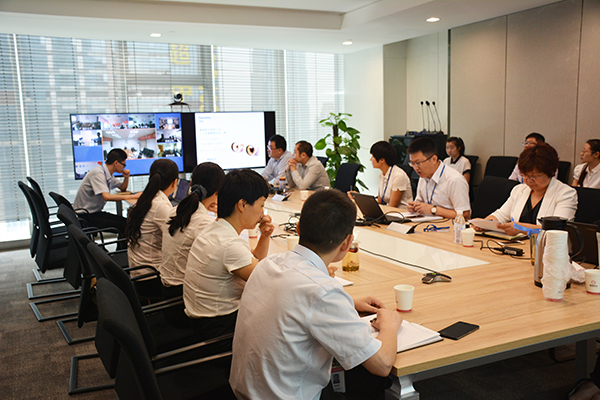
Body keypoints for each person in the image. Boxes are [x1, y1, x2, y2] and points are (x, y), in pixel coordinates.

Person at [230, 189, 403, 400]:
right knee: (371, 378)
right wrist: (389, 324)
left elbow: (297, 301)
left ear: (298, 228)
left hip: (244, 393)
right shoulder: (323, 292)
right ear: (347, 243)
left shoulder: (268, 264)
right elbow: (382, 364)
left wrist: (349, 301)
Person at [183, 169, 275, 341]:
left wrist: (264, 236)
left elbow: (256, 265)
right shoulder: (230, 244)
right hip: (220, 331)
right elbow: (268, 282)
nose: (263, 214)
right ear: (242, 205)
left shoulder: (214, 229)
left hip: (201, 324)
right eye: (261, 205)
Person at [160, 162, 225, 299]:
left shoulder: (175, 211)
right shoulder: (204, 222)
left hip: (168, 288)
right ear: (218, 192)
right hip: (181, 294)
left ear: (191, 184)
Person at [481, 143, 577, 236]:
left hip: (547, 245)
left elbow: (557, 230)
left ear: (551, 172)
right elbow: (501, 215)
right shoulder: (519, 190)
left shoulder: (566, 193)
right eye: (524, 175)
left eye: (534, 176)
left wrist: (521, 229)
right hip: (518, 244)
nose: (528, 180)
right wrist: (484, 223)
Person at [125, 159, 179, 298]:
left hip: (139, 270)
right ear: (174, 183)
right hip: (150, 278)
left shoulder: (148, 198)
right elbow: (178, 237)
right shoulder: (160, 206)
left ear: (150, 179)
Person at [73, 148, 140, 236]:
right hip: (86, 216)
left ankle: (122, 245)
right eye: (123, 164)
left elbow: (122, 188)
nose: (124, 167)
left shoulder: (107, 174)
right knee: (126, 225)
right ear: (116, 163)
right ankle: (123, 245)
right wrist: (133, 196)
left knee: (127, 223)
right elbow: (107, 197)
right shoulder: (98, 173)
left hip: (93, 213)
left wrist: (126, 177)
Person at [406, 137, 470, 219]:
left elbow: (465, 215)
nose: (415, 168)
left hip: (448, 225)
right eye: (412, 163)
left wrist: (433, 210)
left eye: (418, 163)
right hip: (426, 223)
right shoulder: (423, 177)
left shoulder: (454, 180)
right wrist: (414, 207)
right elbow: (420, 203)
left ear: (433, 159)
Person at [368, 141, 412, 207]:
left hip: (400, 212)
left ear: (382, 160)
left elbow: (393, 206)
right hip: (388, 210)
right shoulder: (381, 174)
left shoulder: (398, 175)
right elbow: (380, 201)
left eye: (373, 157)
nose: (370, 159)